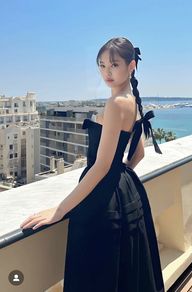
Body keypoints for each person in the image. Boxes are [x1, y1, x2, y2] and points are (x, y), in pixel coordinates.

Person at [20, 36, 165, 292]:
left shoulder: (116, 103)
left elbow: (101, 166)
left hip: (103, 198)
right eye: (101, 65)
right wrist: (121, 181)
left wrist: (59, 209)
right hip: (124, 190)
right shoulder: (133, 100)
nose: (106, 72)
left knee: (97, 273)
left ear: (131, 66)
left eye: (114, 65)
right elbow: (138, 154)